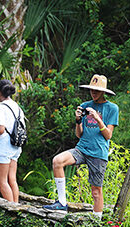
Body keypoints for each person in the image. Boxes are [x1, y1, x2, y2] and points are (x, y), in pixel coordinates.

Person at [44, 74, 119, 218]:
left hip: (98, 152)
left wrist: (98, 119)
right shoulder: (85, 105)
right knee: (57, 161)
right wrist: (78, 120)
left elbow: (108, 135)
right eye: (91, 90)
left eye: (96, 90)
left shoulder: (112, 108)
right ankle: (61, 203)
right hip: (82, 148)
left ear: (103, 91)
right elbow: (79, 134)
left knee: (96, 191)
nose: (93, 93)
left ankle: (96, 222)